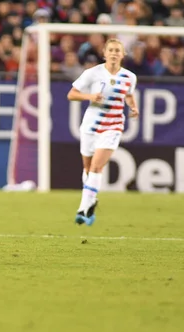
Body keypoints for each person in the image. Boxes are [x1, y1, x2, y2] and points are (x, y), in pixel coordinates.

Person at [67, 38, 139, 226]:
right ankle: (91, 201)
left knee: (96, 167)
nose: (114, 53)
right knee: (87, 168)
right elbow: (72, 94)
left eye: (118, 50)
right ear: (104, 54)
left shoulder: (130, 77)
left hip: (113, 126)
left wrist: (133, 107)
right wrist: (90, 96)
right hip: (90, 126)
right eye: (111, 50)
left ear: (123, 55)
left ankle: (83, 209)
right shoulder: (92, 73)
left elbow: (129, 95)